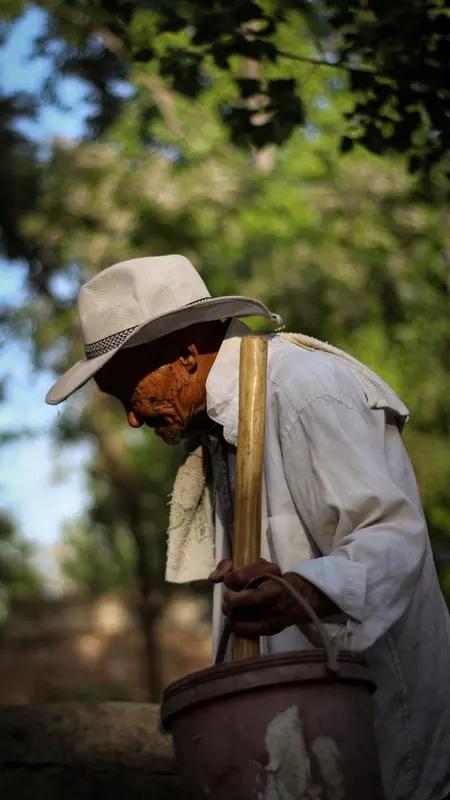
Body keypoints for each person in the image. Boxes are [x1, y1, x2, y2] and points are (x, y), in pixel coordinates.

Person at [46, 254, 450, 800]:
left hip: (384, 742)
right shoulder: (222, 424)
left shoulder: (304, 391)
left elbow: (392, 539)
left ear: (185, 355)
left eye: (129, 393)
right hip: (308, 739)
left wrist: (304, 590)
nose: (133, 419)